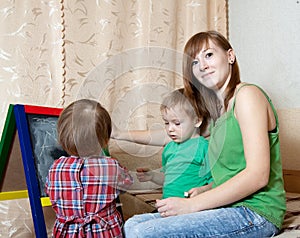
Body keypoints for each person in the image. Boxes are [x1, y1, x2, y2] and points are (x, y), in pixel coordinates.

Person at [114, 31, 286, 237]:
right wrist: (118, 133)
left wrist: (192, 205)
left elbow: (257, 175)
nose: (202, 66)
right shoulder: (217, 114)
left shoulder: (247, 96)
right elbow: (170, 134)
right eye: (194, 63)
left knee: (144, 232)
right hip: (229, 206)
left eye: (209, 55)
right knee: (131, 226)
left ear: (230, 56)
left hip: (256, 212)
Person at [45, 99, 133, 238]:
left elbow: (50, 192)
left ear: (62, 138)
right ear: (105, 140)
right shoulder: (111, 166)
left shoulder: (55, 167)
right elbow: (126, 185)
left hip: (68, 233)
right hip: (105, 233)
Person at [136, 88, 212, 199]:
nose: (170, 129)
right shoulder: (169, 148)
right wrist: (152, 176)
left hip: (191, 208)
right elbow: (168, 180)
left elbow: (216, 181)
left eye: (176, 123)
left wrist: (202, 190)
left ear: (197, 121)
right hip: (168, 207)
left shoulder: (204, 147)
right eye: (166, 123)